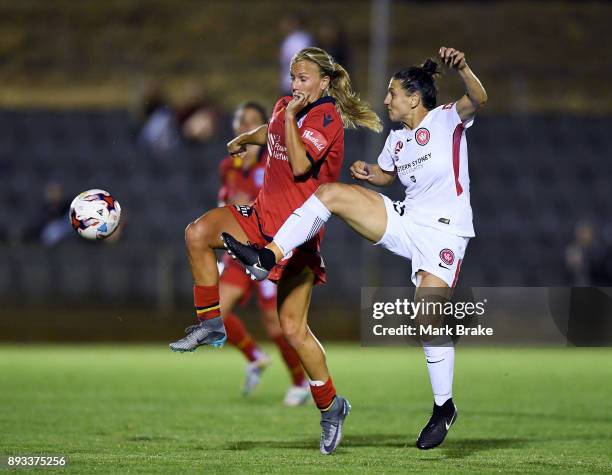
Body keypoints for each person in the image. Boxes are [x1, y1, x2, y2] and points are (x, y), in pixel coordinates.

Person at [222, 46, 487, 450]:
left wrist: (464, 67)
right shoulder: (397, 140)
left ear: (414, 99)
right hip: (405, 221)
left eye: (393, 94)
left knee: (426, 320)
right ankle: (269, 255)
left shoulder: (447, 120)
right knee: (329, 193)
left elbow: (479, 99)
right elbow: (387, 175)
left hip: (445, 234)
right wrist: (370, 173)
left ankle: (443, 407)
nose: (386, 100)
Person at [169, 46, 382, 455]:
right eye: (293, 77)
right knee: (196, 234)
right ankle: (211, 323)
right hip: (259, 217)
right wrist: (244, 138)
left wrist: (286, 117)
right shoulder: (285, 105)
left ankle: (331, 406)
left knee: (293, 331)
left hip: (295, 238)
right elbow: (269, 130)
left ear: (323, 81)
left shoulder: (326, 118)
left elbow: (301, 166)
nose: (296, 85)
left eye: (304, 78)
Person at [216, 102, 311, 405]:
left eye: (253, 121)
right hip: (237, 253)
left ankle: (300, 382)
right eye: (241, 120)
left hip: (267, 252)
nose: (245, 126)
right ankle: (254, 355)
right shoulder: (227, 167)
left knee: (275, 324)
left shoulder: (274, 163)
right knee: (213, 313)